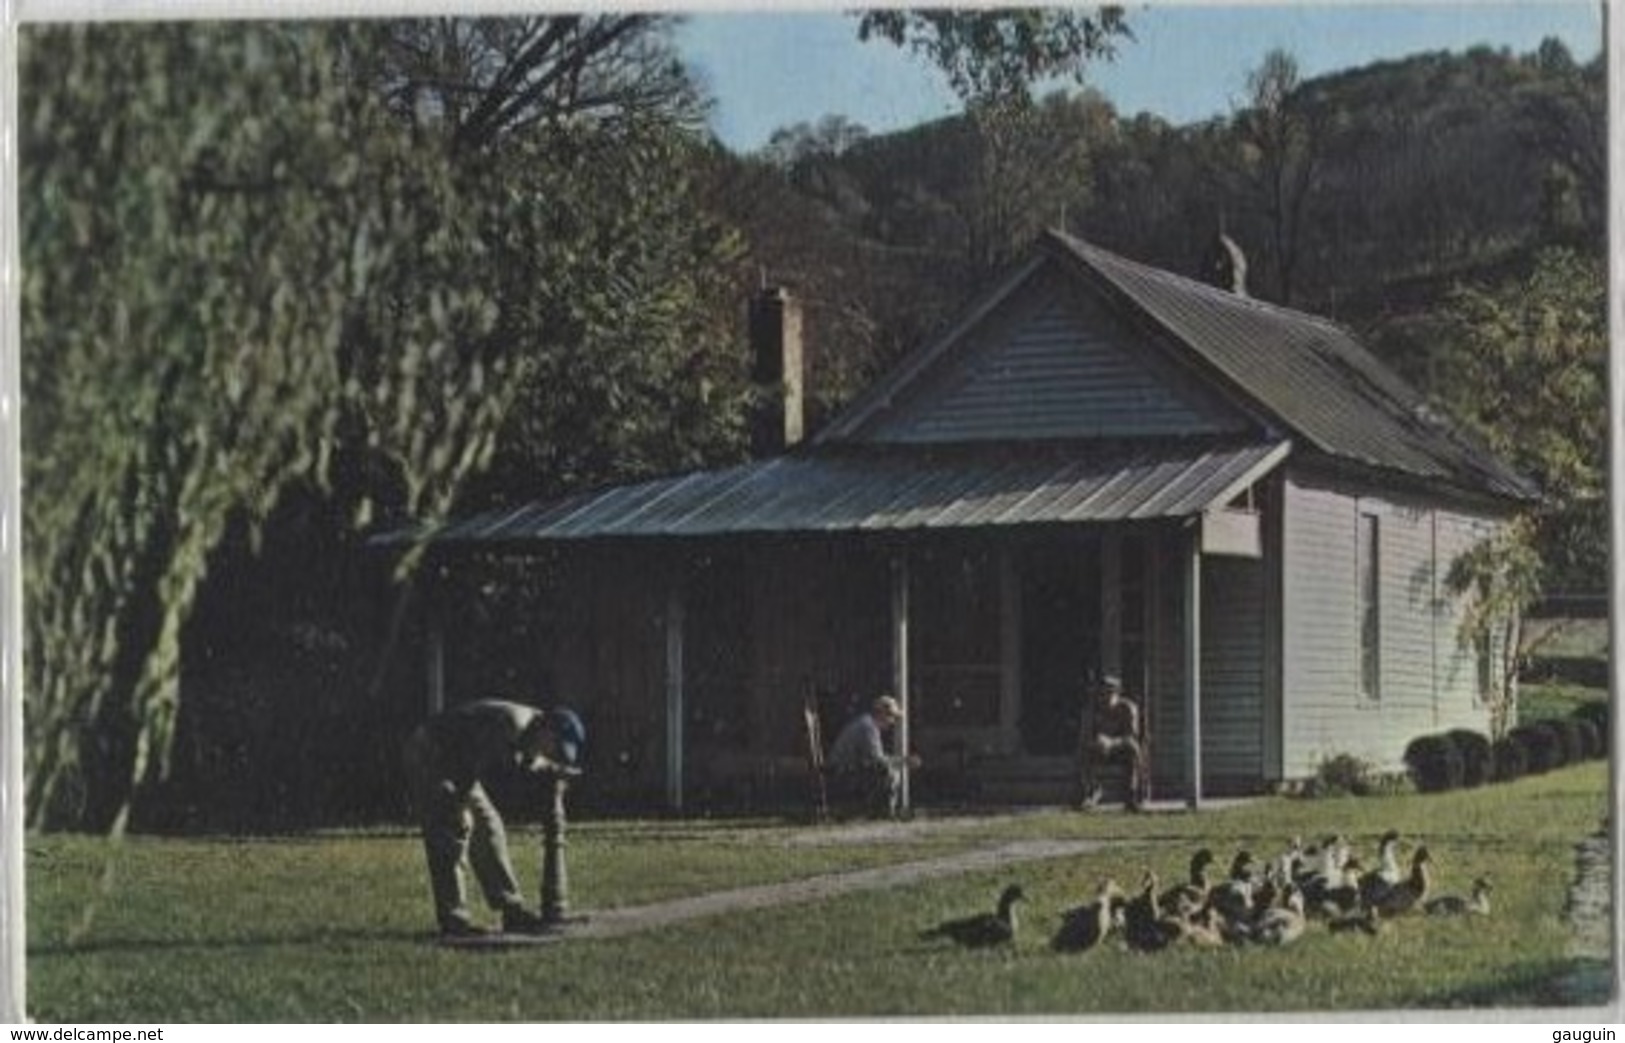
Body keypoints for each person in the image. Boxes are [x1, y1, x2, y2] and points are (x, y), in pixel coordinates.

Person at [402, 697, 587, 938]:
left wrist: (553, 770)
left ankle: (511, 909)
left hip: (456, 759)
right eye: (556, 748)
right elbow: (473, 761)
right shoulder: (512, 723)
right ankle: (454, 921)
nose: (553, 754)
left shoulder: (533, 729)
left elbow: (525, 760)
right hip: (429, 751)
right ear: (548, 730)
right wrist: (458, 803)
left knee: (490, 827)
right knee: (453, 827)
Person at [826, 694, 920, 819]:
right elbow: (878, 760)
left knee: (889, 770)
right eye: (891, 717)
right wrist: (905, 761)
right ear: (882, 715)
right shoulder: (868, 728)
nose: (892, 722)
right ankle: (885, 813)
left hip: (842, 768)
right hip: (841, 772)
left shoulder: (866, 724)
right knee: (891, 773)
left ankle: (879, 811)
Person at [1078, 675, 1147, 812]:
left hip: (1121, 748)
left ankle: (1131, 795)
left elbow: (1132, 736)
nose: (1106, 696)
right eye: (1102, 693)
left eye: (1110, 692)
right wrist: (1097, 742)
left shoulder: (1128, 708)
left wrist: (1113, 742)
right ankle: (1091, 792)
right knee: (1083, 753)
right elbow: (1084, 736)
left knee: (1133, 750)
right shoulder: (1091, 710)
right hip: (1099, 748)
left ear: (1118, 693)